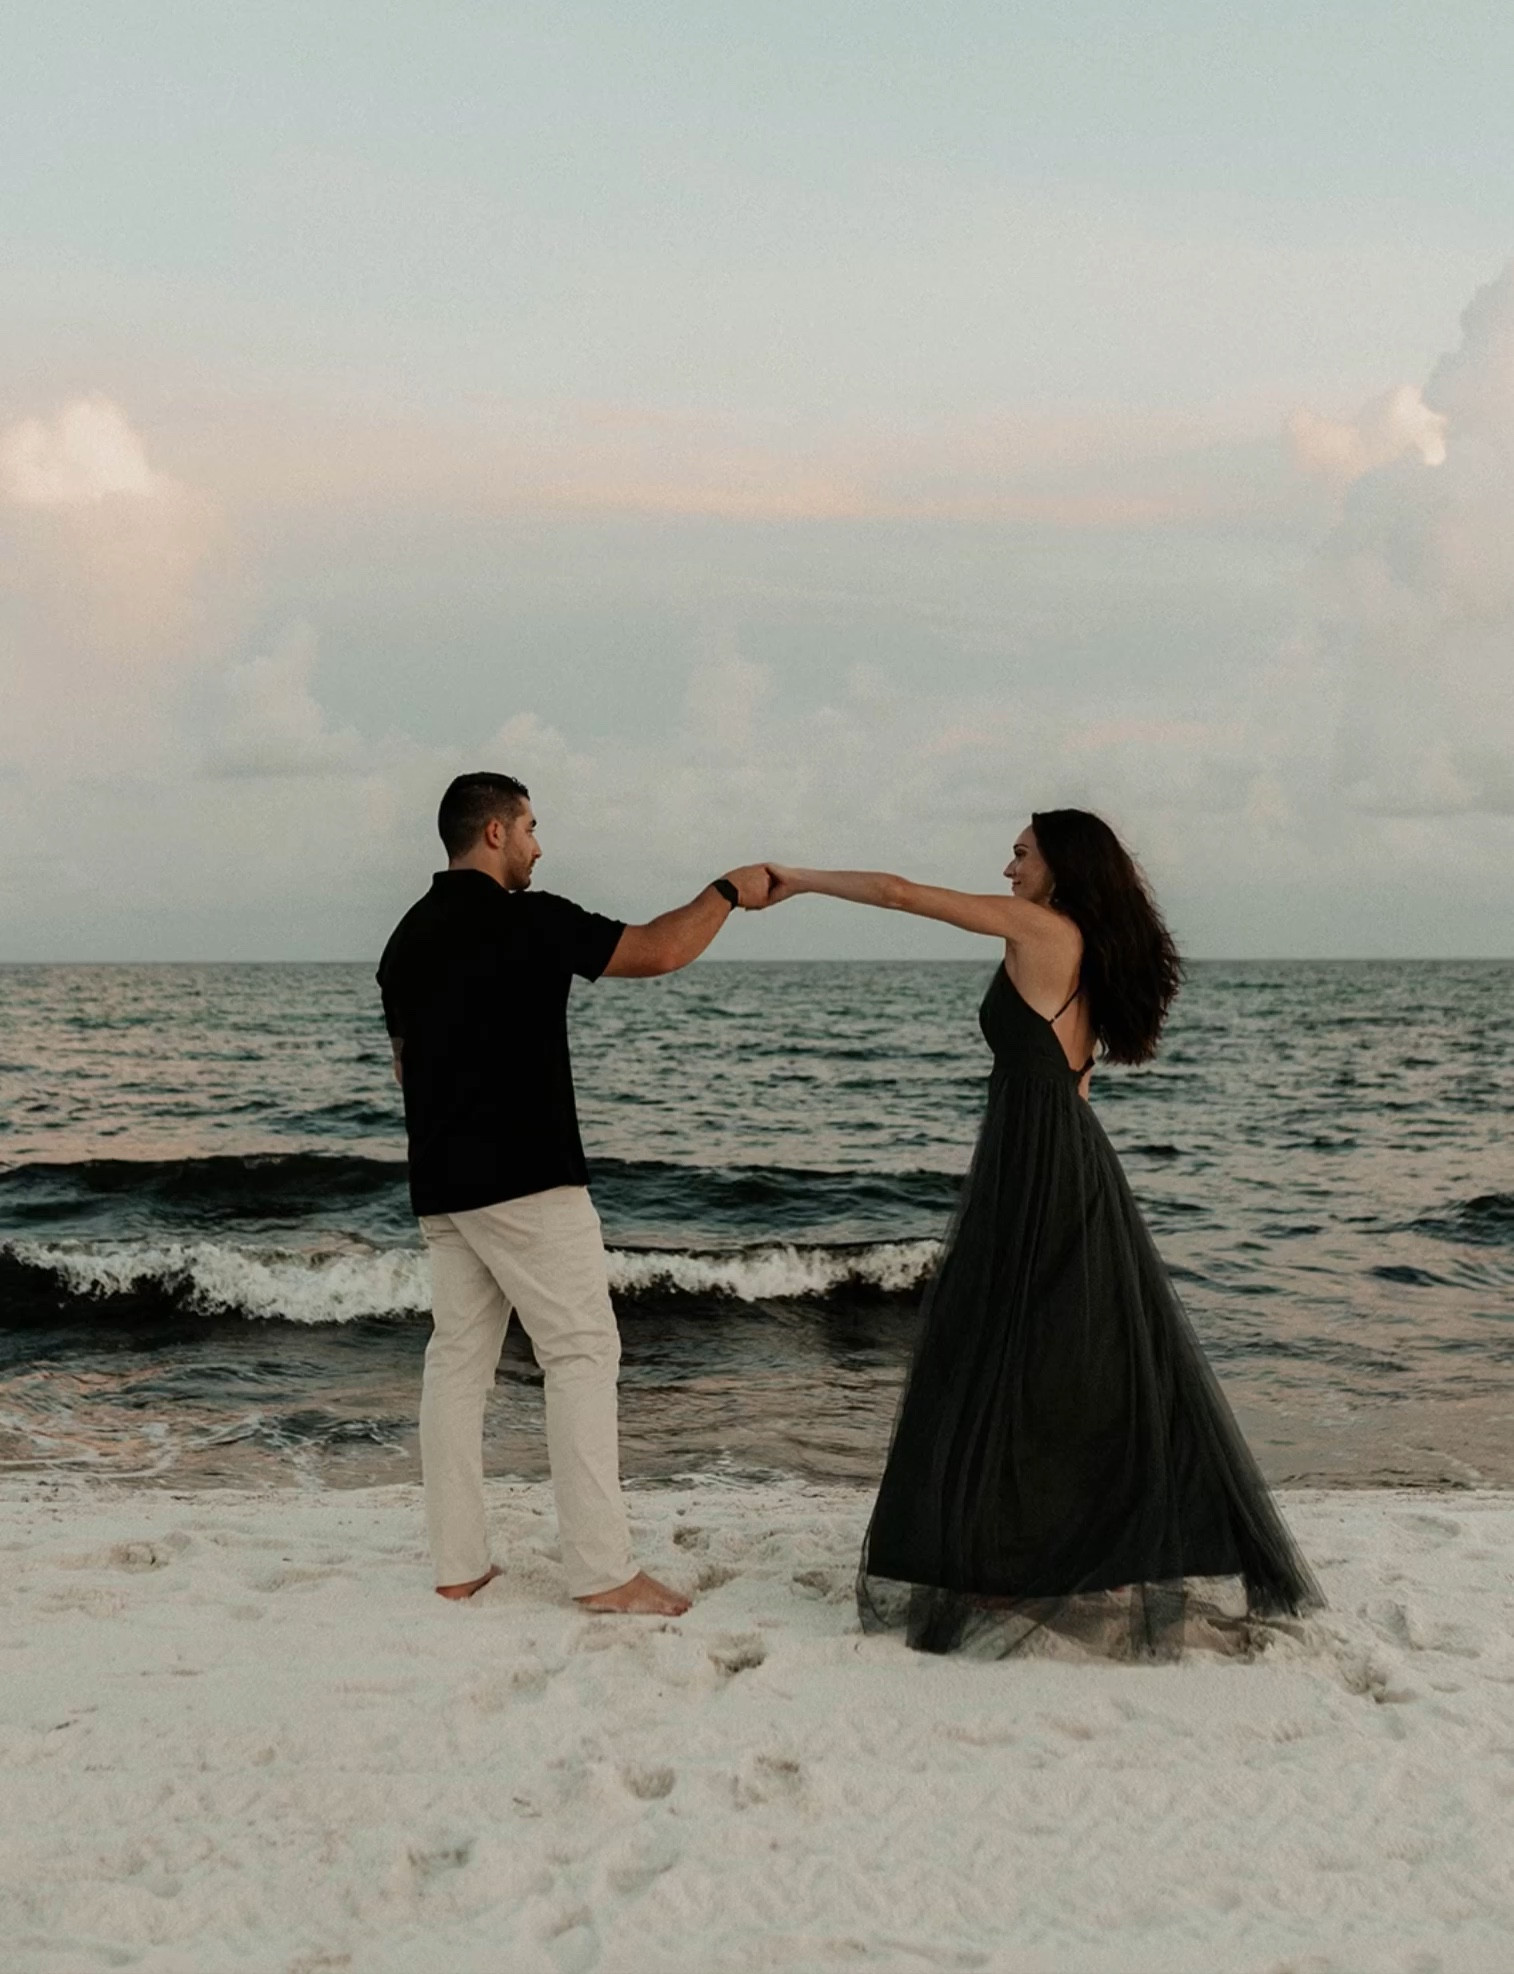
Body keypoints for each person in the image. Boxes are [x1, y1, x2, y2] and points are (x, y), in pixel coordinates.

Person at [766, 812, 1322, 1657]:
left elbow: (899, 893)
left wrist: (798, 877)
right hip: (1069, 1157)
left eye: (1021, 853)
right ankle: (1058, 1545)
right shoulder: (1087, 944)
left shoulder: (1041, 927)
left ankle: (1008, 1552)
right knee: (1062, 1356)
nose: (1007, 866)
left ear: (1060, 866)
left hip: (1038, 1164)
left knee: (1004, 1352)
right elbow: (1080, 1080)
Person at [378, 772, 773, 1613]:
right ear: (492, 833)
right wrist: (727, 892)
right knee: (583, 1354)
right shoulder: (531, 919)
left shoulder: (403, 940)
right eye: (529, 826)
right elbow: (659, 949)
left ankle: (458, 1565)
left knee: (456, 1366)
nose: (537, 844)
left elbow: (405, 1062)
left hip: (444, 1186)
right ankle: (603, 1573)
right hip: (527, 1178)